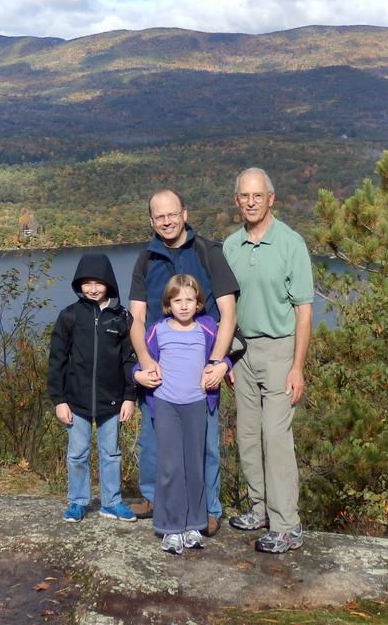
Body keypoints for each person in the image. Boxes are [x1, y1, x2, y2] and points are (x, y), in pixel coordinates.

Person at [128, 189, 238, 535]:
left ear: (185, 213)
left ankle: (209, 509)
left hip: (198, 367)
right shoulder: (147, 258)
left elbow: (228, 313)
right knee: (153, 439)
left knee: (203, 443)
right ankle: (153, 497)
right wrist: (144, 361)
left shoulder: (207, 252)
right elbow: (136, 317)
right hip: (160, 367)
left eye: (172, 214)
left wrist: (219, 361)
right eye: (159, 216)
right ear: (151, 221)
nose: (167, 221)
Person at [222, 168, 313, 554]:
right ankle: (260, 510)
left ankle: (287, 525)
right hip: (242, 352)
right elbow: (226, 307)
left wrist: (298, 367)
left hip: (280, 351)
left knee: (276, 437)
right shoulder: (230, 246)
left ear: (271, 198)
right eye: (245, 195)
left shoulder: (291, 244)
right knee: (247, 435)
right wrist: (226, 355)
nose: (251, 201)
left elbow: (304, 311)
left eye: (258, 195)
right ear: (237, 201)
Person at [139, 274, 231, 553]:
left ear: (199, 303)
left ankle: (193, 524)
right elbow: (142, 363)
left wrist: (224, 366)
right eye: (177, 300)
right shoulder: (158, 330)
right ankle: (170, 527)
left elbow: (221, 357)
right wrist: (138, 375)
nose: (183, 306)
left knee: (194, 465)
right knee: (170, 467)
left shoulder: (206, 329)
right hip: (166, 405)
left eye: (189, 300)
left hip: (196, 405)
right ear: (168, 304)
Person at [47, 252, 137, 523]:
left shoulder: (121, 317)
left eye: (98, 282)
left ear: (108, 282)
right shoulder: (69, 316)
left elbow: (129, 360)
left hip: (112, 401)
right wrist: (59, 399)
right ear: (79, 284)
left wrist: (129, 397)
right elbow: (57, 360)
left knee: (111, 453)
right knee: (77, 454)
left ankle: (112, 502)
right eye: (87, 283)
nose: (93, 288)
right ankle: (77, 501)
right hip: (77, 402)